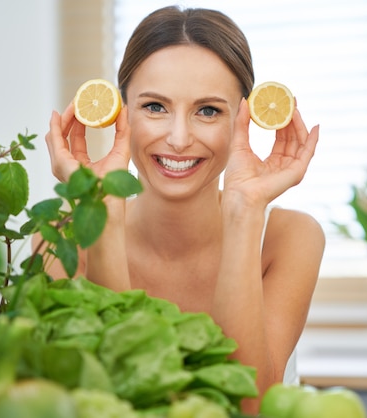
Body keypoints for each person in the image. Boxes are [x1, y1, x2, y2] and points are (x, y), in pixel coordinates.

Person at [38, 5, 324, 414]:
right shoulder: (61, 237)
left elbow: (249, 405)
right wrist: (99, 209)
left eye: (208, 110)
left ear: (241, 120)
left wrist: (245, 208)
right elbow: (114, 399)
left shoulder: (290, 238)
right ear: (122, 113)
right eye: (155, 106)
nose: (178, 138)